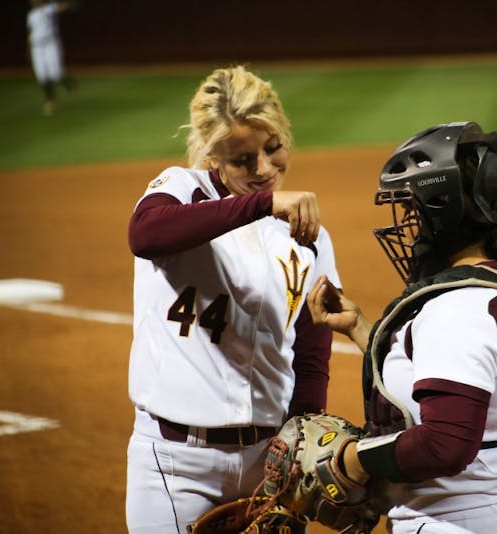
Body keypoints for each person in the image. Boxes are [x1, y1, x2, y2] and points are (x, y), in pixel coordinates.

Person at [307, 122, 497, 533]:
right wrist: (362, 328)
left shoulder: (459, 310)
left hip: (467, 522)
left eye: (413, 208)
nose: (407, 225)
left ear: (444, 210)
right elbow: (444, 375)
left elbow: (443, 445)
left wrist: (349, 460)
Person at [125, 65, 342, 533]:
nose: (263, 170)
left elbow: (311, 340)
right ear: (212, 158)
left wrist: (303, 430)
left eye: (272, 148)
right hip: (176, 463)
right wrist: (262, 205)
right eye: (242, 160)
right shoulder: (182, 191)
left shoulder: (309, 235)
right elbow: (145, 234)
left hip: (268, 464)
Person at [26, 0, 77, 115]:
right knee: (42, 75)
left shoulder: (48, 8)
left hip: (50, 43)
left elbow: (62, 7)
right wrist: (28, 50)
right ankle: (51, 101)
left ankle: (70, 84)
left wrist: (70, 5)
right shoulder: (30, 15)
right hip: (37, 47)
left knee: (56, 73)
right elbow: (30, 33)